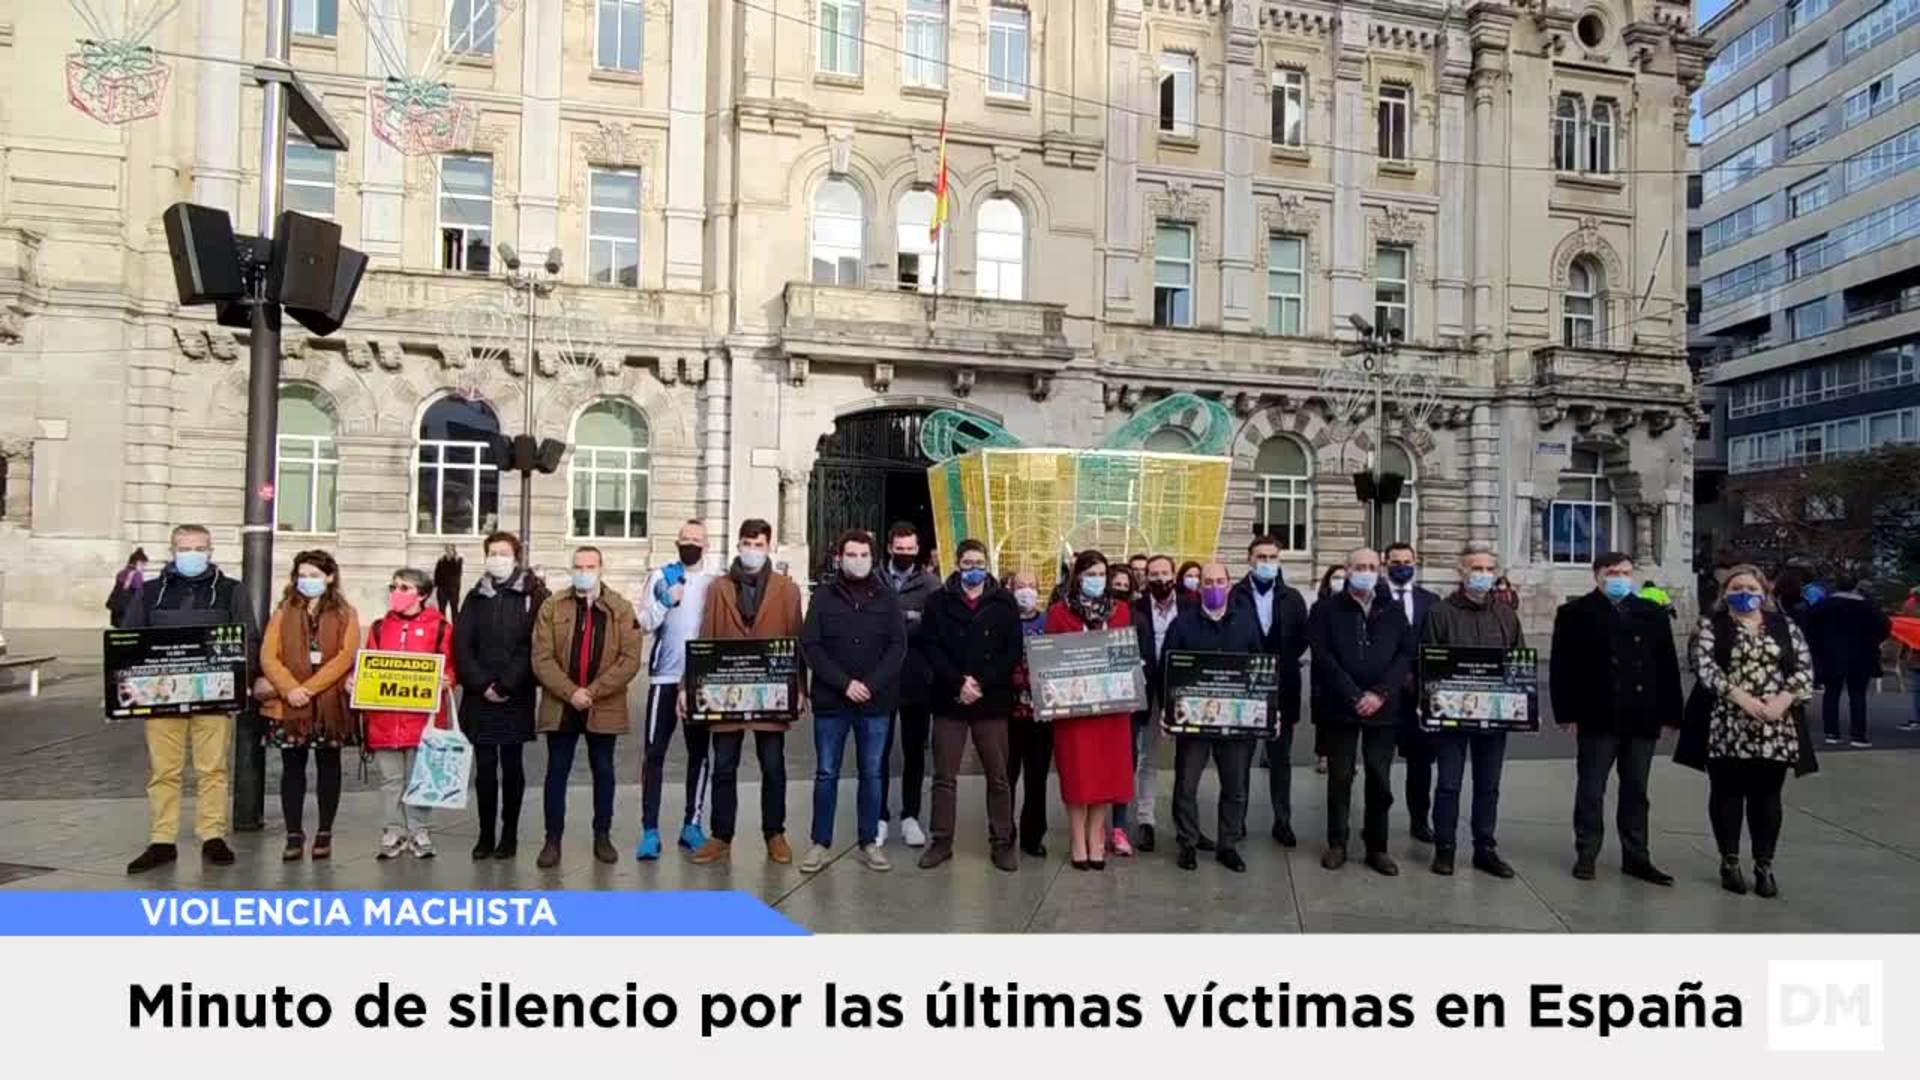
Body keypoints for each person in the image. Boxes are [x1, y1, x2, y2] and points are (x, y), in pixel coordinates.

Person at [123, 524, 256, 874]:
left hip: (214, 696)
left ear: (211, 552)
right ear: (172, 550)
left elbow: (248, 638)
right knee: (164, 770)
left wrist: (244, 679)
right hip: (161, 696)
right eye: (185, 548)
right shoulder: (151, 592)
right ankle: (162, 839)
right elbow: (129, 640)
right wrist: (123, 692)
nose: (192, 554)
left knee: (212, 769)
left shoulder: (231, 591)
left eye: (200, 548)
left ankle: (212, 834)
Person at [1550, 552, 1685, 885]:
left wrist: (1671, 713)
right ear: (1597, 575)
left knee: (1636, 789)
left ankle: (1637, 855)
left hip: (1642, 715)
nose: (1620, 578)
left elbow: (1667, 665)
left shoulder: (1651, 612)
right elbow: (1562, 667)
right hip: (1597, 714)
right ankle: (1587, 851)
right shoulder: (1574, 613)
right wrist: (1566, 712)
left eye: (1626, 572)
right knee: (1592, 788)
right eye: (1613, 572)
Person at [1685, 565, 1817, 898]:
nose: (1745, 593)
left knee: (1767, 798)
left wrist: (1782, 701)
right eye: (1736, 587)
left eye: (1751, 587)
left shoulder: (1785, 626)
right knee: (1727, 794)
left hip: (1776, 725)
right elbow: (1705, 668)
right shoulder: (1711, 626)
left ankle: (1764, 864)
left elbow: (1804, 671)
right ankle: (1729, 861)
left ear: (1764, 592)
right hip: (1728, 721)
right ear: (1725, 593)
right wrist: (1741, 698)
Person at [690, 519, 805, 865]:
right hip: (725, 690)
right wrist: (688, 686)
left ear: (768, 547)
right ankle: (721, 835)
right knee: (724, 766)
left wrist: (800, 688)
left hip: (772, 690)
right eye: (746, 543)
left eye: (758, 544)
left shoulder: (787, 589)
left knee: (773, 765)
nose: (751, 550)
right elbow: (704, 638)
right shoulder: (719, 588)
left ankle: (775, 833)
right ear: (738, 545)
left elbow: (797, 640)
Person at [799, 529, 908, 873]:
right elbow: (811, 646)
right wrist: (844, 684)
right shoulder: (824, 598)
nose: (857, 561)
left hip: (875, 703)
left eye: (863, 555)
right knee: (826, 772)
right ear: (839, 558)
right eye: (851, 555)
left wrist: (870, 685)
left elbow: (897, 647)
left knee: (873, 773)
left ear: (873, 559)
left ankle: (869, 842)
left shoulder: (887, 598)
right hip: (833, 701)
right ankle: (820, 843)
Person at [531, 546, 643, 869]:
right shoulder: (553, 606)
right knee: (556, 772)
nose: (584, 571)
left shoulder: (620, 608)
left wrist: (592, 692)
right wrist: (571, 693)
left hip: (602, 705)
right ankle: (552, 840)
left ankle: (602, 836)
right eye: (578, 566)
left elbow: (629, 659)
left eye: (590, 566)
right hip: (561, 705)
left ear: (601, 568)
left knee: (604, 771)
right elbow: (541, 657)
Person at [1419, 543, 1526, 878]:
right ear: (1461, 572)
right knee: (1449, 784)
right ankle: (1445, 849)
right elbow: (1428, 661)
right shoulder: (1440, 612)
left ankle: (1485, 848)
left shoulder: (1505, 614)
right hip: (1452, 714)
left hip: (1494, 716)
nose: (1483, 575)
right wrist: (1428, 704)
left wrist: (1519, 703)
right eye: (1476, 569)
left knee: (1488, 785)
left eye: (1488, 569)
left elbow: (1517, 661)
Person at [1308, 547, 1414, 875]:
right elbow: (1323, 657)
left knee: (1379, 778)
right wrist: (1355, 695)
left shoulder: (1393, 611)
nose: (1366, 571)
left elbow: (1404, 655)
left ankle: (1377, 846)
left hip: (1383, 709)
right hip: (1341, 707)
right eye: (1359, 566)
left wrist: (1380, 693)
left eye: (1372, 566)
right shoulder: (1325, 610)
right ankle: (1337, 842)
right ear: (1348, 569)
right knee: (1340, 779)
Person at [920, 539, 1023, 870]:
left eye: (979, 563)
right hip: (950, 699)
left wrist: (980, 682)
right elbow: (931, 647)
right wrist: (958, 682)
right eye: (967, 563)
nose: (974, 569)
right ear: (958, 564)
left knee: (998, 775)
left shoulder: (1004, 602)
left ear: (987, 564)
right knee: (944, 776)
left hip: (990, 700)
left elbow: (1011, 651)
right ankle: (941, 841)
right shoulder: (938, 602)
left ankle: (1002, 841)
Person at [1163, 562, 1265, 872]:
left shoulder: (1246, 623)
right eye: (1208, 582)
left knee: (1235, 787)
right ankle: (1188, 843)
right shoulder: (1182, 624)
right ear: (1199, 587)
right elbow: (1167, 671)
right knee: (1186, 786)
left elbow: (1261, 668)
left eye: (1220, 581)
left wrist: (1264, 710)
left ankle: (1228, 844)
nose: (1214, 587)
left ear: (1230, 584)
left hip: (1235, 721)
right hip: (1193, 721)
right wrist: (1167, 711)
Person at [259, 550, 360, 862]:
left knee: (329, 766)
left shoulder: (345, 613)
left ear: (329, 577)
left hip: (328, 704)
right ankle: (293, 833)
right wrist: (290, 689)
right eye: (302, 575)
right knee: (293, 769)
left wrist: (310, 688)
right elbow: (268, 655)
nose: (308, 581)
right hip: (291, 706)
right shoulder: (283, 611)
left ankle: (324, 832)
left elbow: (346, 656)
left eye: (315, 575)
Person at [453, 531, 543, 861]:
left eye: (504, 552)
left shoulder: (533, 594)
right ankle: (485, 833)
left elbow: (532, 644)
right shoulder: (476, 595)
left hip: (515, 694)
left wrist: (506, 684)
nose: (497, 558)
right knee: (486, 768)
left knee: (513, 767)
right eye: (492, 552)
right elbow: (462, 644)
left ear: (516, 557)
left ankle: (509, 834)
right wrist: (480, 684)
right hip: (480, 696)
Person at [1045, 550, 1136, 870]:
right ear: (1077, 578)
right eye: (1089, 575)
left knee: (1105, 774)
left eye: (1101, 575)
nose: (1096, 580)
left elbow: (1125, 654)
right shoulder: (1058, 613)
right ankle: (1077, 838)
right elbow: (1049, 660)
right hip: (1074, 710)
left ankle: (1097, 836)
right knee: (1077, 772)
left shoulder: (1121, 611)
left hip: (1111, 710)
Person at [361, 568, 457, 860]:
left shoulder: (440, 627)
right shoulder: (379, 627)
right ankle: (393, 830)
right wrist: (357, 681)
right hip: (385, 719)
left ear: (422, 594)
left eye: (404, 588)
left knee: (420, 778)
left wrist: (447, 679)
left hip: (422, 719)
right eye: (394, 586)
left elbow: (450, 665)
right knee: (391, 780)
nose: (396, 592)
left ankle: (419, 830)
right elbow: (367, 665)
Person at [635, 520, 717, 859]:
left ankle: (692, 824)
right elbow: (644, 623)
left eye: (697, 540)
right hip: (664, 680)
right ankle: (650, 830)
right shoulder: (660, 576)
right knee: (655, 754)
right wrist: (666, 600)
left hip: (701, 680)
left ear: (706, 545)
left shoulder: (716, 583)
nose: (691, 544)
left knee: (699, 754)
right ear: (676, 541)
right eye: (685, 539)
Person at [1228, 535, 1308, 847]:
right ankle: (1238, 820)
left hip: (1283, 686)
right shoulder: (1235, 595)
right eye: (1261, 557)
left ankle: (1282, 821)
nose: (1266, 563)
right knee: (1241, 759)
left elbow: (1302, 638)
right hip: (1245, 688)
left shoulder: (1292, 597)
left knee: (1280, 760)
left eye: (1272, 557)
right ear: (1249, 559)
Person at [880, 522, 940, 849]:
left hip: (918, 679)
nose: (904, 554)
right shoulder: (875, 580)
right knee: (877, 751)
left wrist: (904, 622)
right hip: (880, 680)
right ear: (890, 547)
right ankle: (878, 816)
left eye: (909, 549)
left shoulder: (931, 585)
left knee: (914, 751)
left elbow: (934, 629)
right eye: (899, 549)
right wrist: (907, 619)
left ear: (917, 550)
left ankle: (910, 815)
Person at [1379, 542, 1441, 844]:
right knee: (1380, 765)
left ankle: (1420, 820)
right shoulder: (1374, 597)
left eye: (1406, 561)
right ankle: (1377, 822)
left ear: (1415, 563)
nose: (1401, 565)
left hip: (1419, 696)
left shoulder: (1431, 600)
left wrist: (1419, 678)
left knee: (1421, 766)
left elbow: (1437, 645)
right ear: (1385, 563)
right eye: (1395, 561)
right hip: (1383, 695)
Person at [1127, 554, 1185, 853]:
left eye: (1165, 572)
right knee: (1147, 759)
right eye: (1154, 574)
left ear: (1174, 574)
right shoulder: (1134, 609)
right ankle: (1145, 820)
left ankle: (1185, 824)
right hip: (1147, 693)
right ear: (1145, 578)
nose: (1160, 579)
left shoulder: (1189, 607)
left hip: (1182, 693)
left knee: (1186, 761)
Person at [1803, 573, 1892, 747]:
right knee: (1858, 695)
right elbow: (1885, 626)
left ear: (1835, 585)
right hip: (1861, 656)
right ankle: (1858, 735)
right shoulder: (1869, 607)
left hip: (1830, 655)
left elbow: (1809, 628)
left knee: (1831, 693)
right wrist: (1873, 642)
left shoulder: (1822, 606)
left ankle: (1831, 733)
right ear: (1855, 586)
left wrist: (1818, 647)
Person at [1006, 568, 1053, 857]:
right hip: (1008, 714)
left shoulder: (1049, 622)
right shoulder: (1004, 621)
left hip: (1041, 715)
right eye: (1020, 586)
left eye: (1031, 586)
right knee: (1006, 776)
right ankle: (1003, 832)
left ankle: (1033, 836)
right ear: (1011, 590)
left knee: (1037, 778)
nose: (1026, 590)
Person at [1105, 563, 1140, 854]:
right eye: (1113, 584)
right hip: (1098, 699)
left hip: (1127, 701)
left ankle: (1118, 826)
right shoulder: (1093, 614)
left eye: (1124, 584)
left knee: (1124, 764)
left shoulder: (1136, 615)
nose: (1120, 589)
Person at [1310, 564, 1347, 775]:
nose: (1339, 581)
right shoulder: (1319, 607)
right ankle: (1323, 755)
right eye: (1335, 577)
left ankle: (1342, 758)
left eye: (1343, 577)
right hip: (1323, 671)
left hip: (1347, 668)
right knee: (1323, 716)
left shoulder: (1353, 607)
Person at [106, 547, 149, 628]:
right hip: (128, 611)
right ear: (138, 562)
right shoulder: (137, 575)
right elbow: (140, 593)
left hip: (117, 609)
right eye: (143, 565)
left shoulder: (121, 573)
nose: (144, 568)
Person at [433, 544, 463, 620]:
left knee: (454, 609)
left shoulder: (458, 560)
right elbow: (437, 572)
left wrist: (453, 560)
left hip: (453, 589)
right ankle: (442, 628)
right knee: (441, 610)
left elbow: (457, 573)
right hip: (442, 588)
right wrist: (436, 584)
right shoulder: (441, 560)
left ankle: (455, 628)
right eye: (447, 550)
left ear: (454, 551)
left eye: (450, 550)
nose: (449, 552)